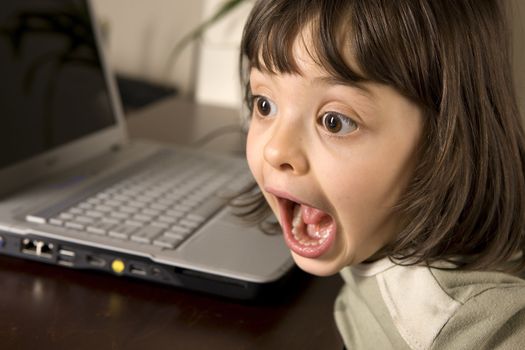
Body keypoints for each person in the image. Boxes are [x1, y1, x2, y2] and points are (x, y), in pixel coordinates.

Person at [237, 0, 525, 348]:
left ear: (445, 142)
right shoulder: (370, 229)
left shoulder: (474, 329)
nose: (276, 150)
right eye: (264, 104)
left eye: (335, 121)